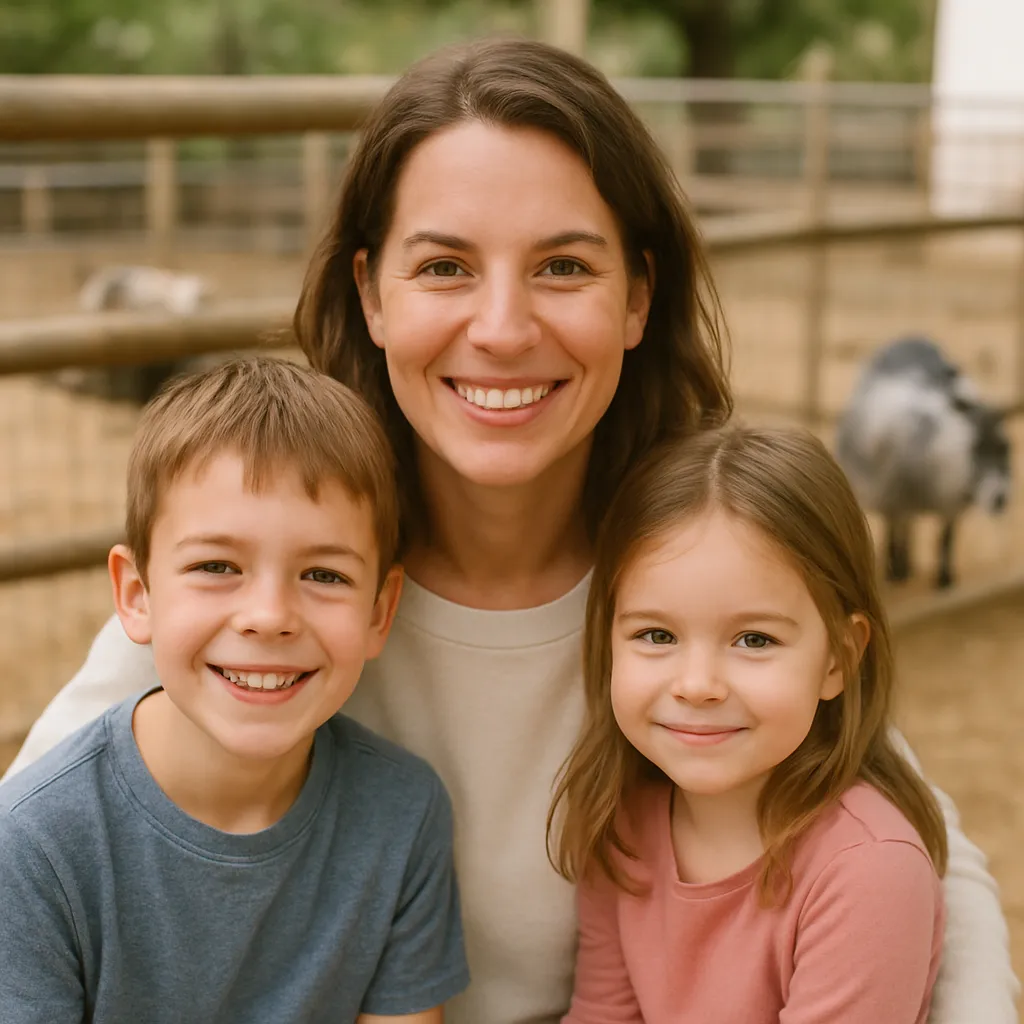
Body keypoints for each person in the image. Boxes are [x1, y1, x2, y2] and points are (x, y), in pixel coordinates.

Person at [5, 38, 1017, 1024]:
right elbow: (31, 840)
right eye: (444, 266)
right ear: (370, 295)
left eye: (563, 267)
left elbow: (918, 853)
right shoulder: (284, 559)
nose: (500, 327)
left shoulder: (706, 561)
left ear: (637, 295)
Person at [0, 358, 468, 1023]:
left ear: (379, 612)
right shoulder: (33, 847)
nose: (270, 615)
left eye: (324, 575)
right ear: (136, 595)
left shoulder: (402, 814)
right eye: (217, 566)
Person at [551, 424, 947, 1023]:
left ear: (838, 657)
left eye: (754, 639)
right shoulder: (622, 827)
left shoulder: (868, 873)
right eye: (657, 635)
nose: (698, 684)